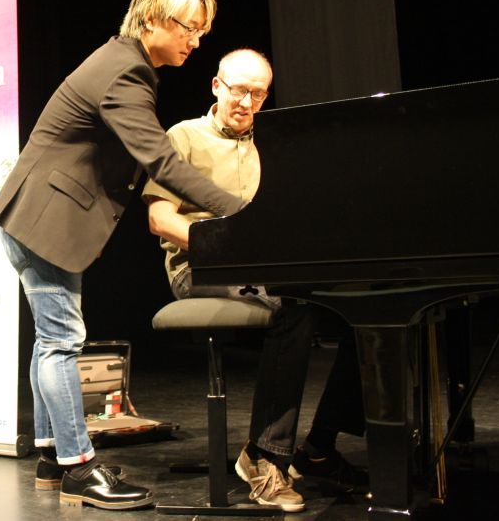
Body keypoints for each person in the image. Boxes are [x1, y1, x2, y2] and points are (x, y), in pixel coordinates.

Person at [0, 0, 244, 511]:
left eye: (201, 31)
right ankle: (80, 469)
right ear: (152, 17)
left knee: (50, 340)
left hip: (40, 218)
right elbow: (161, 159)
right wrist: (240, 210)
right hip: (44, 220)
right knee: (62, 341)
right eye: (188, 28)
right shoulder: (124, 72)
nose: (195, 42)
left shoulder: (124, 63)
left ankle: (51, 458)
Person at [142, 49, 368, 512]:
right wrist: (231, 250)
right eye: (238, 90)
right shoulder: (183, 137)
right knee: (291, 311)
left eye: (257, 94)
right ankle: (264, 457)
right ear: (216, 86)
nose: (246, 102)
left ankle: (319, 447)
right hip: (199, 270)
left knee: (363, 312)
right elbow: (161, 221)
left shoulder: (275, 144)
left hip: (267, 272)